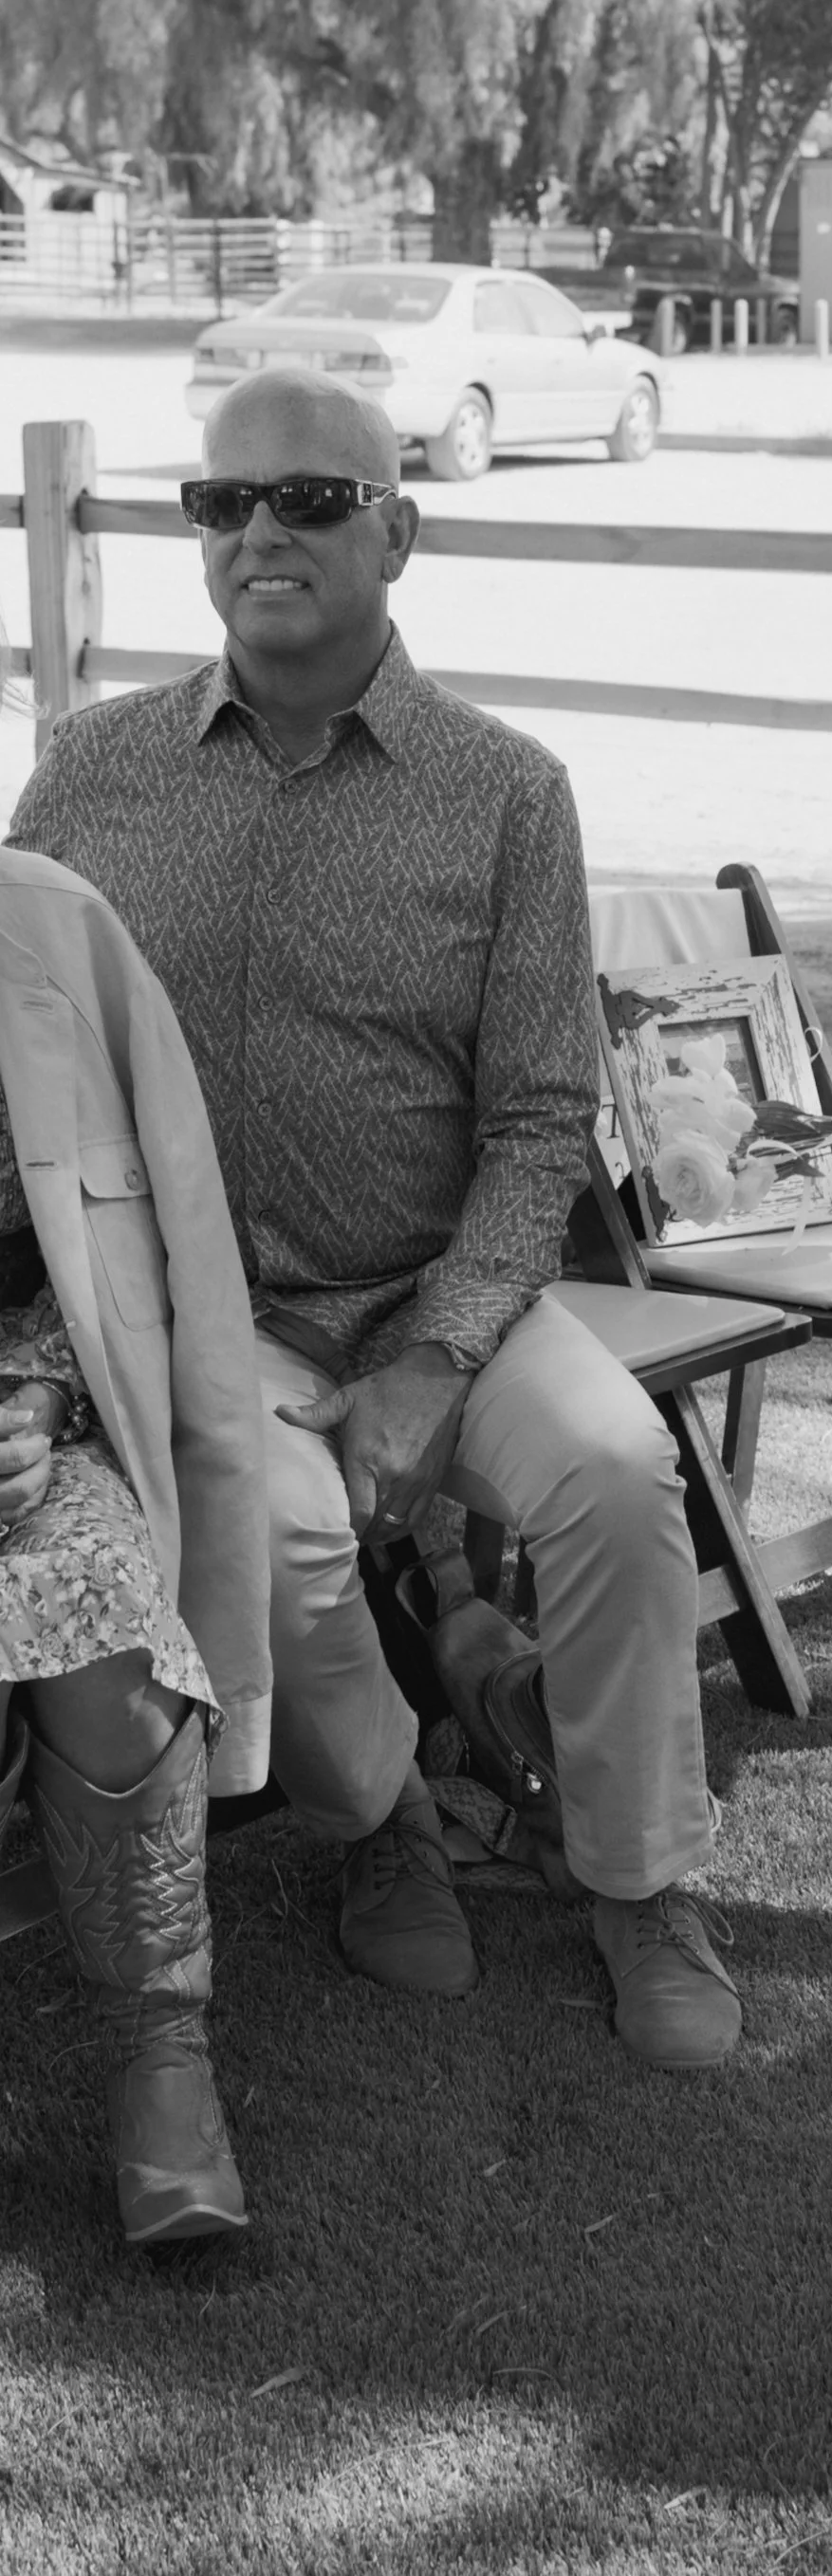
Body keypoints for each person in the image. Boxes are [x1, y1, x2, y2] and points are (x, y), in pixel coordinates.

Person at [9, 370, 739, 2070]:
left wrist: (434, 1360)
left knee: (617, 1475)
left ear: (397, 532)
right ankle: (388, 1815)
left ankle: (639, 1881)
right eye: (222, 502)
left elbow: (543, 1118)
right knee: (277, 1538)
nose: (260, 530)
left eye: (311, 500)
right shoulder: (91, 772)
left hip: (441, 1292)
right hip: (211, 1320)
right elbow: (24, 1052)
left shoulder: (505, 791)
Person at [0, 844, 270, 2244]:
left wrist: (34, 1399)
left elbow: (120, 1251)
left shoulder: (49, 924)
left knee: (98, 1610)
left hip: (36, 1428)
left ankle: (162, 2059)